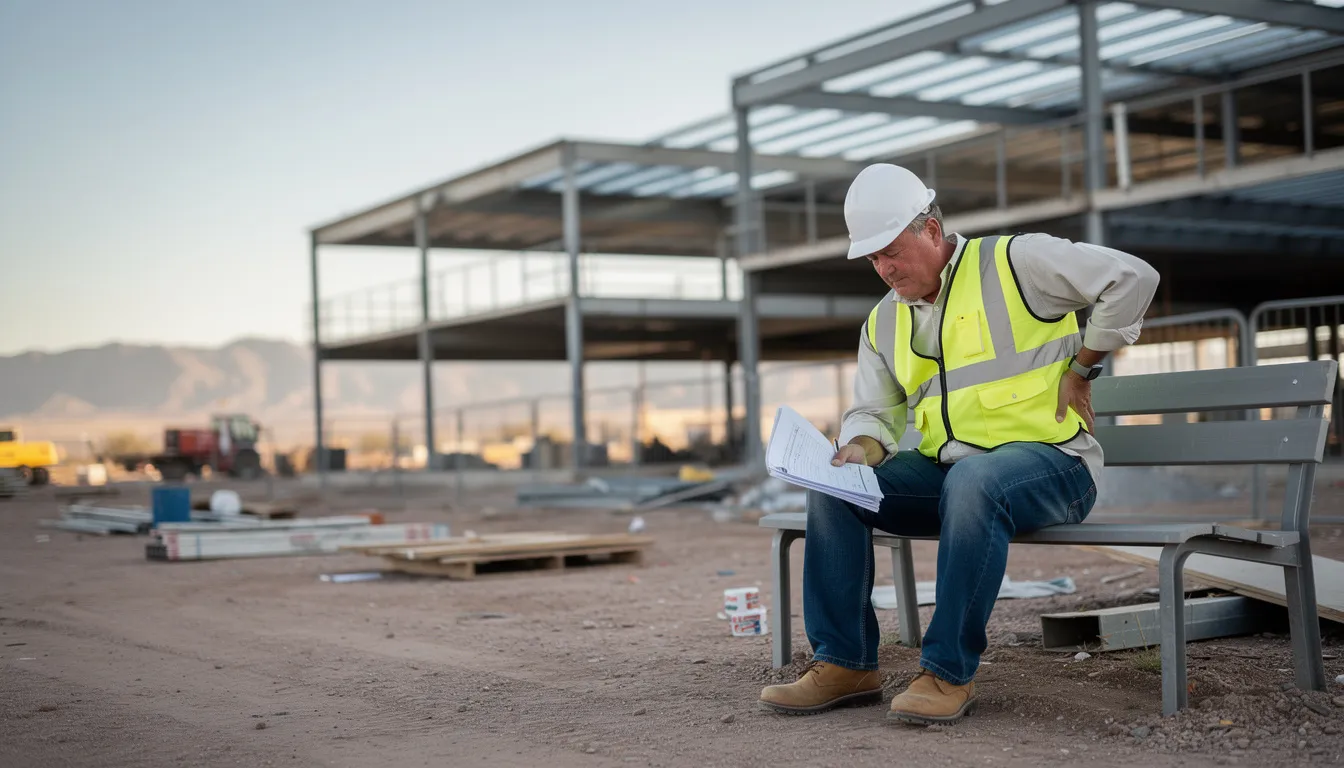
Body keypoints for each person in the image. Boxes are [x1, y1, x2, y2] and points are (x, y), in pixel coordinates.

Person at [757, 163, 1159, 725]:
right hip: (954, 476)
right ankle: (846, 662)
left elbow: (1134, 277)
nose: (884, 268)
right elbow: (874, 413)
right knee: (836, 488)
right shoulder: (883, 324)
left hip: (1055, 465)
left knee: (973, 480)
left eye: (891, 251)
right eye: (872, 258)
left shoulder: (1015, 262)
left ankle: (946, 672)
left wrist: (1084, 366)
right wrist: (860, 449)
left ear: (930, 228)